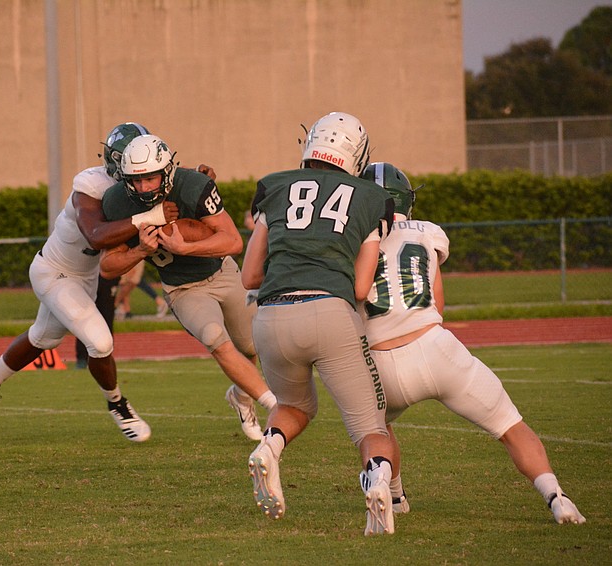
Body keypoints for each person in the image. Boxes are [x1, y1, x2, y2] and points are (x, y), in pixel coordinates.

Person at [354, 161, 586, 525]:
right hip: (434, 345)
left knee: (377, 432)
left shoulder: (351, 239)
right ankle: (557, 498)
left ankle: (390, 492)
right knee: (511, 427)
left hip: (378, 361)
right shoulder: (427, 232)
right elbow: (438, 304)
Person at [0, 122, 178, 443]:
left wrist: (201, 181)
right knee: (101, 342)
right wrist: (150, 217)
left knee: (43, 338)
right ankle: (118, 405)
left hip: (85, 275)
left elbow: (175, 187)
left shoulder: (145, 183)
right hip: (55, 271)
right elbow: (96, 234)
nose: (142, 175)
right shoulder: (91, 184)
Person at [240, 112, 397, 535]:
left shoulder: (274, 187)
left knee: (293, 406)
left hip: (270, 317)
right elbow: (361, 287)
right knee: (370, 428)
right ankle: (378, 481)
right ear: (357, 155)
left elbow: (250, 277)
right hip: (329, 312)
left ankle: (270, 448)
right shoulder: (370, 197)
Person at [99, 134, 278, 442]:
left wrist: (185, 248)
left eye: (150, 178)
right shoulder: (116, 201)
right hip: (182, 288)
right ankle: (275, 406)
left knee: (250, 347)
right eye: (136, 180)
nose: (143, 187)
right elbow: (107, 266)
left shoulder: (193, 185)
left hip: (222, 271)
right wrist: (140, 251)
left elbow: (233, 241)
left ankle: (241, 398)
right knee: (214, 337)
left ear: (166, 171)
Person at [74, 274, 119, 370]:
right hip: (88, 275)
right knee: (84, 316)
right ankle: (82, 358)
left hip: (108, 276)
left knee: (107, 316)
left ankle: (106, 357)